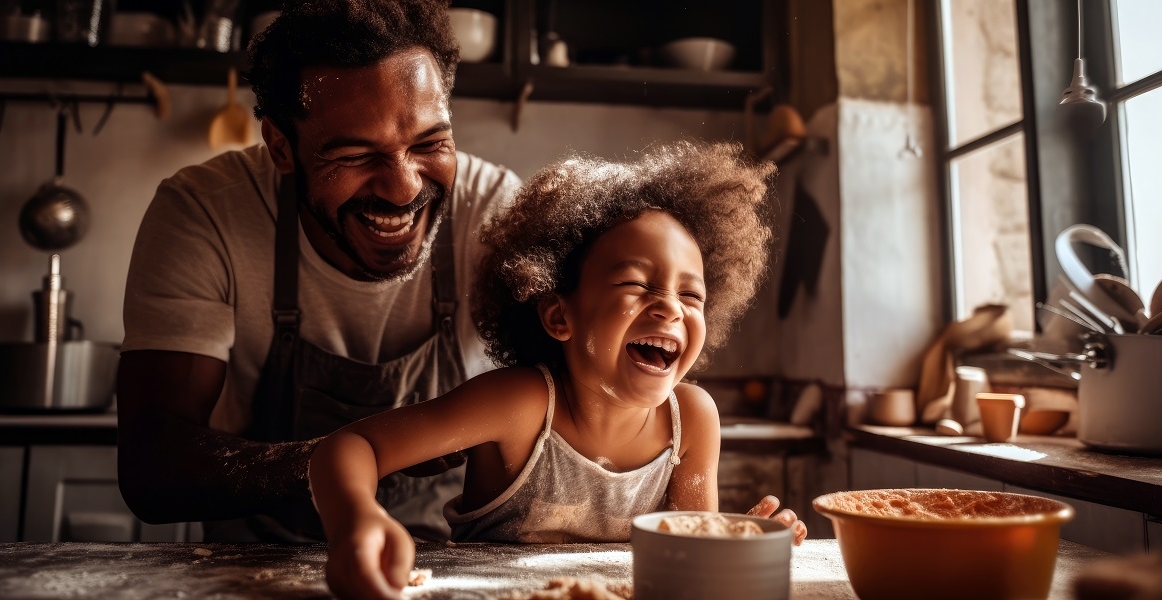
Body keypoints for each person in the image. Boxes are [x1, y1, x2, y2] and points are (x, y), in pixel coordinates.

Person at [308, 140, 809, 599]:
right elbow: (352, 446)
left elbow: (693, 562)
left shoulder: (692, 420)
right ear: (559, 315)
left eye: (690, 294)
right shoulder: (520, 406)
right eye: (637, 285)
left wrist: (742, 541)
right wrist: (356, 518)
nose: (671, 309)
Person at [116, 0, 522, 542]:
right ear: (281, 147)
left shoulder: (496, 213)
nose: (402, 189)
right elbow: (151, 468)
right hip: (254, 566)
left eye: (429, 143)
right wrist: (353, 459)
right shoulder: (206, 211)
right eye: (355, 155)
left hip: (450, 565)